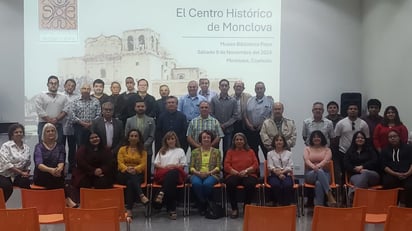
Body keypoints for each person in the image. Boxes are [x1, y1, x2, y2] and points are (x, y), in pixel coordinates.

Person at [33, 123, 77, 207]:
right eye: (48, 131)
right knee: (56, 178)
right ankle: (67, 200)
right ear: (43, 134)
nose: (50, 133)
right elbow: (39, 164)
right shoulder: (39, 147)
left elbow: (61, 161)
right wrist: (51, 170)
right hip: (42, 175)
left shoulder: (60, 146)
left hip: (56, 173)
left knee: (57, 177)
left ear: (56, 133)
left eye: (52, 131)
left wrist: (59, 169)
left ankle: (57, 204)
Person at [153, 131, 187, 220]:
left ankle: (162, 193)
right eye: (168, 139)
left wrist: (174, 166)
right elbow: (156, 164)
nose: (171, 141)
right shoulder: (161, 150)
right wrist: (165, 167)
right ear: (166, 141)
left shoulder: (180, 150)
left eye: (172, 139)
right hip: (163, 175)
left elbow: (183, 165)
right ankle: (172, 209)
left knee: (174, 173)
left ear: (176, 140)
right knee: (171, 182)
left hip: (176, 175)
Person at [224, 132, 259, 219]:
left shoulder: (250, 151)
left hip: (249, 174)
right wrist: (236, 172)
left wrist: (246, 171)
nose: (239, 141)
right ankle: (234, 209)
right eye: (237, 139)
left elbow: (256, 164)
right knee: (230, 183)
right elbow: (226, 165)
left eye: (241, 139)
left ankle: (246, 207)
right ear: (234, 141)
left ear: (244, 141)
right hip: (234, 174)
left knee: (250, 184)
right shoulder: (230, 152)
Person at [117, 129, 149, 219]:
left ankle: (129, 209)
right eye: (131, 136)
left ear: (139, 139)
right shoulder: (122, 149)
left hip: (137, 174)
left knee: (131, 182)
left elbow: (143, 165)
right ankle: (141, 195)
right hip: (123, 174)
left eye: (136, 136)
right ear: (128, 138)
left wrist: (134, 169)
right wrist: (127, 169)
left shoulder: (143, 151)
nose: (133, 138)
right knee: (131, 178)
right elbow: (120, 163)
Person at [334, 103, 369, 184]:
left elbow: (366, 138)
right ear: (347, 111)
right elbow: (336, 138)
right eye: (350, 109)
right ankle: (344, 192)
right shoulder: (341, 123)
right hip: (343, 152)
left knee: (357, 172)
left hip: (358, 154)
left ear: (358, 111)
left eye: (355, 109)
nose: (353, 110)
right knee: (343, 173)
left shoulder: (363, 123)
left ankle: (357, 190)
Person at [72, 132, 114, 198]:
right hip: (86, 172)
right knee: (84, 183)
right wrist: (93, 171)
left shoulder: (106, 149)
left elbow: (109, 163)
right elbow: (81, 163)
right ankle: (86, 202)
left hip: (101, 173)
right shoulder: (82, 150)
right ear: (88, 140)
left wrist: (101, 170)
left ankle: (101, 201)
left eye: (96, 137)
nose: (95, 139)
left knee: (102, 182)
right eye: (92, 138)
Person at [190, 130, 221, 215]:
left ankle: (201, 204)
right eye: (204, 137)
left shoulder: (216, 152)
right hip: (197, 174)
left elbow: (218, 167)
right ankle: (205, 203)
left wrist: (209, 173)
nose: (206, 139)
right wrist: (198, 173)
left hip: (212, 174)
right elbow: (191, 167)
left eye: (208, 137)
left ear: (211, 139)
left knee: (207, 184)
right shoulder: (194, 152)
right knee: (196, 184)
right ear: (200, 140)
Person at [303, 130, 337, 207]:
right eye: (314, 137)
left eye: (318, 137)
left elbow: (326, 160)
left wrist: (317, 167)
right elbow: (306, 160)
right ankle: (329, 194)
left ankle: (319, 206)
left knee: (318, 183)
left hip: (325, 174)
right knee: (319, 171)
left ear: (322, 138)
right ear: (311, 139)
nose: (316, 138)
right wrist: (314, 167)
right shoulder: (307, 149)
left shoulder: (327, 150)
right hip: (310, 174)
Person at [344, 131, 380, 201]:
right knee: (360, 179)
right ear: (354, 139)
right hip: (355, 175)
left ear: (365, 140)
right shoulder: (350, 151)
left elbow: (375, 161)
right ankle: (358, 199)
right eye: (357, 138)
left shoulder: (370, 150)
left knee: (365, 173)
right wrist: (355, 169)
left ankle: (353, 196)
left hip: (372, 175)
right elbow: (346, 164)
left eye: (362, 138)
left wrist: (363, 167)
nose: (360, 139)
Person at [380, 129, 412, 207]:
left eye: (394, 136)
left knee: (410, 186)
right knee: (388, 183)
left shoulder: (408, 148)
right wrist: (395, 174)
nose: (392, 138)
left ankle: (408, 209)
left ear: (399, 137)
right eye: (390, 137)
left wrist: (408, 173)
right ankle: (391, 207)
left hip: (407, 174)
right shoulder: (385, 150)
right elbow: (383, 166)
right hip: (392, 174)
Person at [125, 99, 155, 178]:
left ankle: (146, 190)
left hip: (146, 150)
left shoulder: (151, 120)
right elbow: (127, 135)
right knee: (133, 172)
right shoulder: (129, 120)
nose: (140, 108)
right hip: (132, 150)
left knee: (146, 172)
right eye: (138, 106)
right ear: (135, 108)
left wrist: (143, 146)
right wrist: (135, 146)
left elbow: (152, 136)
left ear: (146, 107)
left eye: (142, 106)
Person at [0, 124, 31, 201]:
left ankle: (27, 207)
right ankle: (2, 208)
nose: (19, 134)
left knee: (26, 183)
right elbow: (6, 163)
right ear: (11, 134)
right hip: (4, 174)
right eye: (16, 132)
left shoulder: (27, 148)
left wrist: (26, 172)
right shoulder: (6, 146)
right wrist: (21, 172)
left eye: (20, 132)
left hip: (18, 175)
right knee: (7, 187)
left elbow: (28, 163)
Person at [35, 75, 69, 145]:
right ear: (47, 84)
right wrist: (50, 120)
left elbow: (65, 110)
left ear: (58, 85)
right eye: (51, 83)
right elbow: (39, 110)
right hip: (43, 124)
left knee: (59, 145)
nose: (53, 85)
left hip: (58, 124)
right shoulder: (41, 95)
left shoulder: (64, 97)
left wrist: (56, 119)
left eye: (55, 83)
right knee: (43, 145)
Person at [245, 82, 274, 160]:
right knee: (253, 154)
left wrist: (263, 125)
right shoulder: (250, 100)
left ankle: (269, 171)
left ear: (264, 89)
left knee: (267, 153)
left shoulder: (270, 101)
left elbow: (271, 116)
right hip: (251, 131)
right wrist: (248, 124)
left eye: (261, 88)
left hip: (265, 131)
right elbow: (245, 114)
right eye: (257, 88)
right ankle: (255, 171)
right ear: (255, 90)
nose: (259, 90)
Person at [210, 79, 239, 158]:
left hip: (228, 130)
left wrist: (225, 125)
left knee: (227, 150)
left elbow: (235, 116)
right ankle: (216, 167)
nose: (224, 87)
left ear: (229, 87)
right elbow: (211, 114)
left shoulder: (233, 101)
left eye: (226, 85)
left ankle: (225, 168)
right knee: (214, 150)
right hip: (215, 129)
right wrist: (219, 124)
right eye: (222, 85)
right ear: (219, 87)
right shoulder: (214, 99)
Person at [71, 83, 101, 147]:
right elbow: (72, 115)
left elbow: (99, 115)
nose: (86, 90)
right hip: (79, 127)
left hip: (92, 127)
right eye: (84, 88)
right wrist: (82, 123)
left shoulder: (96, 101)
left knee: (92, 146)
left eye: (88, 89)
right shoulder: (75, 101)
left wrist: (91, 123)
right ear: (81, 90)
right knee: (80, 147)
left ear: (90, 90)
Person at [267, 135, 294, 206]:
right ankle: (280, 203)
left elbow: (290, 166)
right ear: (274, 142)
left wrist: (282, 172)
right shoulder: (270, 153)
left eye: (280, 140)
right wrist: (278, 173)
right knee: (276, 185)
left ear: (284, 142)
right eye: (277, 140)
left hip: (286, 174)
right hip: (274, 174)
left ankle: (286, 205)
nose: (279, 142)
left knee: (287, 185)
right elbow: (270, 166)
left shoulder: (289, 153)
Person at [62, 79, 79, 173]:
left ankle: (71, 168)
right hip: (61, 125)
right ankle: (61, 166)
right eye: (68, 85)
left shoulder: (78, 97)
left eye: (72, 86)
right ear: (64, 86)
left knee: (72, 148)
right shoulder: (60, 95)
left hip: (73, 126)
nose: (70, 87)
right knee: (61, 148)